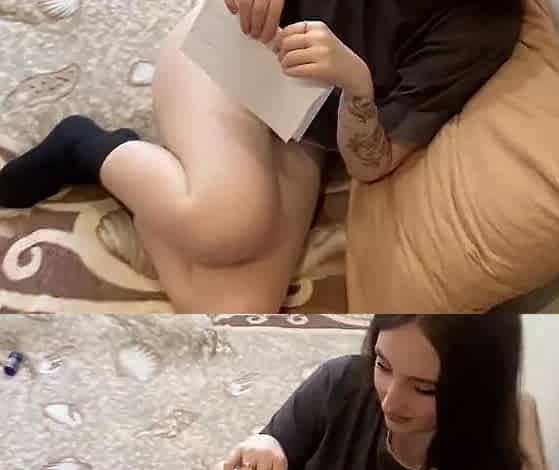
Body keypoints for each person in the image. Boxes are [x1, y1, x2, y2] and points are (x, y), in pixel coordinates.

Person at [0, 0, 524, 312]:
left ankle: (149, 180)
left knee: (230, 306)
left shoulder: (483, 26)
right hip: (230, 53)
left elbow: (372, 163)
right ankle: (83, 146)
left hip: (308, 125)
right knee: (230, 224)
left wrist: (357, 88)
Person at [221, 314, 548, 470]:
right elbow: (273, 447)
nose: (389, 402)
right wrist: (266, 445)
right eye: (383, 365)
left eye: (424, 388)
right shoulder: (341, 382)